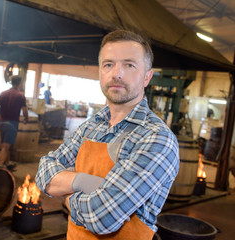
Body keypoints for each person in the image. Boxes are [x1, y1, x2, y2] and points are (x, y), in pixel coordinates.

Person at [35, 29, 179, 239]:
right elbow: (44, 172)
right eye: (108, 64)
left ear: (147, 77)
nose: (116, 73)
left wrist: (64, 194)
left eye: (129, 65)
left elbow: (101, 218)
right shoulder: (92, 126)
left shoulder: (157, 138)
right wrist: (85, 182)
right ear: (101, 72)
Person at [0, 75, 29, 169]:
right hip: (12, 123)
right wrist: (26, 118)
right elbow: (24, 110)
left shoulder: (3, 93)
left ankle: (7, 163)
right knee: (5, 147)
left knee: (6, 145)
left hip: (2, 122)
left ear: (11, 82)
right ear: (20, 83)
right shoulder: (20, 95)